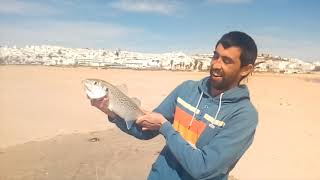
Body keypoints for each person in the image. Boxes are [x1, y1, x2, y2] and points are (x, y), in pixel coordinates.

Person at [90, 31, 258, 180]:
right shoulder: (187, 90)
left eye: (226, 61)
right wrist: (110, 110)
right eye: (215, 56)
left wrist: (166, 128)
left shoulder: (243, 115)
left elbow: (203, 169)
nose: (216, 64)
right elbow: (144, 131)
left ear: (245, 69)